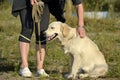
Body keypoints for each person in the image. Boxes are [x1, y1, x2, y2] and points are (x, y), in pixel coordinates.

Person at [12, 0, 86, 77]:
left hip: (45, 2)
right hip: (25, 2)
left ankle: (39, 69)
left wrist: (81, 26)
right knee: (27, 30)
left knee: (43, 32)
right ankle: (24, 66)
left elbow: (79, 4)